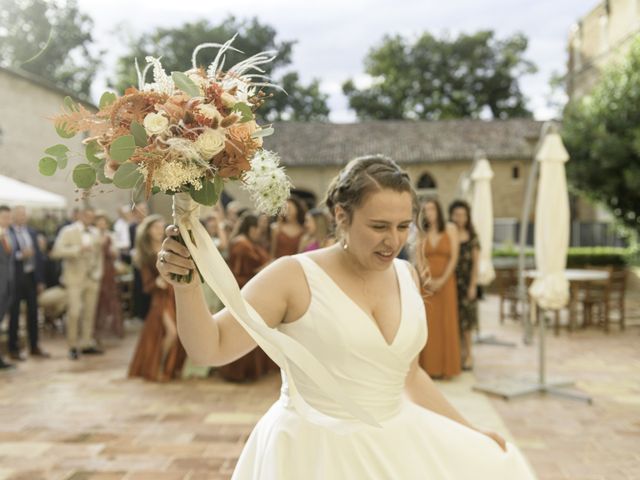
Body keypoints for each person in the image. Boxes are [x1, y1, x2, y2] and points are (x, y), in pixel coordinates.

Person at [157, 156, 536, 479]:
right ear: (342, 215)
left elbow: (410, 375)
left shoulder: (405, 275)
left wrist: (470, 431)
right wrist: (186, 286)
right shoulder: (292, 276)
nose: (393, 241)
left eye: (403, 226)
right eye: (379, 227)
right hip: (312, 455)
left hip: (397, 446)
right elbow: (212, 348)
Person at [218, 212, 276, 382]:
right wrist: (266, 267)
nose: (260, 232)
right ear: (251, 228)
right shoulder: (242, 245)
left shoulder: (248, 243)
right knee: (243, 332)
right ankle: (239, 372)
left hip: (249, 291)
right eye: (258, 228)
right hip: (244, 292)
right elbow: (243, 272)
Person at [128, 214, 186, 381]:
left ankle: (171, 368)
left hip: (174, 294)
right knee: (171, 333)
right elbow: (147, 285)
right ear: (146, 231)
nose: (159, 230)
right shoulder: (145, 255)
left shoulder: (168, 248)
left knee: (179, 333)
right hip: (161, 299)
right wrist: (158, 282)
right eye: (155, 227)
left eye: (161, 227)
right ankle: (158, 367)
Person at [416, 198, 461, 379]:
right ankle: (428, 368)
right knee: (428, 324)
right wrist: (425, 279)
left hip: (447, 282)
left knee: (446, 322)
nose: (429, 213)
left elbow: (454, 257)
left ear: (439, 210)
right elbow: (418, 257)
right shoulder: (421, 232)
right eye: (425, 210)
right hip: (426, 284)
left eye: (432, 209)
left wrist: (442, 280)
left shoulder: (450, 229)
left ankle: (446, 368)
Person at [51, 207, 103, 360]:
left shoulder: (95, 232)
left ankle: (86, 343)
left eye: (92, 216)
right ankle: (72, 346)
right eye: (86, 215)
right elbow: (56, 251)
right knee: (74, 313)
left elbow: (99, 255)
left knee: (90, 312)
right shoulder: (68, 231)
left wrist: (98, 274)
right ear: (80, 215)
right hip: (73, 279)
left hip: (92, 278)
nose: (89, 218)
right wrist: (78, 249)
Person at [8, 206, 49, 360]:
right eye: (19, 215)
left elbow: (38, 257)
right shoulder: (8, 233)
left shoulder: (32, 232)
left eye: (24, 215)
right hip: (16, 279)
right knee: (15, 314)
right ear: (13, 216)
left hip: (31, 278)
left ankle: (35, 346)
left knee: (33, 313)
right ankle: (13, 348)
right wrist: (20, 255)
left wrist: (40, 280)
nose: (23, 217)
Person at [449, 199, 480, 371]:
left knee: (467, 323)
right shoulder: (449, 234)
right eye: (456, 215)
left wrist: (473, 285)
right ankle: (458, 355)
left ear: (468, 217)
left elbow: (476, 264)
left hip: (466, 284)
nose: (460, 218)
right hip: (451, 283)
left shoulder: (472, 237)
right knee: (455, 322)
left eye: (463, 215)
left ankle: (469, 355)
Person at [94, 212, 124, 340]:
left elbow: (116, 253)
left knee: (111, 297)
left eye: (103, 222)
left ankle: (113, 328)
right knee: (98, 299)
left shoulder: (111, 235)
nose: (101, 225)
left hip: (109, 269)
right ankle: (97, 328)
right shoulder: (93, 235)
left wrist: (113, 252)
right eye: (99, 222)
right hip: (97, 269)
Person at [0, 205, 16, 369]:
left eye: (9, 217)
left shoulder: (8, 235)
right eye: (5, 217)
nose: (8, 220)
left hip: (6, 286)